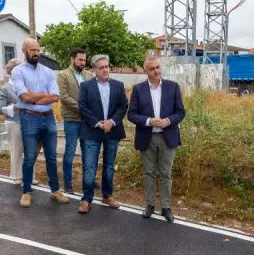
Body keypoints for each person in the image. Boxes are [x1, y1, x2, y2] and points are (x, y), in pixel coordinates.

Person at [12, 38, 70, 208]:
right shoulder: (18, 72)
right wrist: (41, 96)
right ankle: (26, 192)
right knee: (30, 157)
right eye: (32, 50)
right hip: (28, 117)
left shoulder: (48, 71)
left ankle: (55, 190)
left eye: (38, 50)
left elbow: (55, 96)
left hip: (48, 117)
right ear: (24, 51)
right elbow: (24, 96)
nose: (36, 53)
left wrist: (34, 98)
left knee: (52, 156)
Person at [127, 55, 185, 223]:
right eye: (152, 69)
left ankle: (166, 207)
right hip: (147, 137)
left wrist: (168, 121)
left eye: (158, 67)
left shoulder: (173, 87)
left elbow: (180, 112)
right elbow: (131, 114)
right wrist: (149, 121)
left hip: (168, 137)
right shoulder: (138, 89)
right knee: (149, 173)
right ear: (145, 71)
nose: (156, 71)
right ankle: (150, 204)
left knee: (166, 174)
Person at [77, 54, 128, 214]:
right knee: (90, 167)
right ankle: (86, 199)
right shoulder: (86, 86)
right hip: (92, 131)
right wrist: (99, 123)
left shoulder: (118, 85)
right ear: (94, 69)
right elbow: (82, 107)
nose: (106, 70)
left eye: (107, 66)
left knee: (109, 166)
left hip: (112, 131)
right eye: (102, 67)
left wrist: (111, 122)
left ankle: (107, 195)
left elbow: (123, 106)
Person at [57, 48, 95, 194]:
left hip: (86, 121)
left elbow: (93, 95)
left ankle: (89, 180)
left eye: (84, 60)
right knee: (70, 151)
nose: (82, 62)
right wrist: (83, 108)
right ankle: (67, 183)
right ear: (72, 59)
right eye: (80, 59)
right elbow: (64, 97)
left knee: (88, 152)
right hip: (72, 119)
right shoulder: (63, 75)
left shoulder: (88, 75)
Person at [0, 58, 39, 186]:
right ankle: (16, 176)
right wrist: (15, 107)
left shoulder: (27, 85)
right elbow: (0, 109)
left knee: (30, 151)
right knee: (16, 150)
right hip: (14, 122)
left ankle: (30, 177)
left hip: (30, 121)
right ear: (12, 71)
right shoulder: (5, 89)